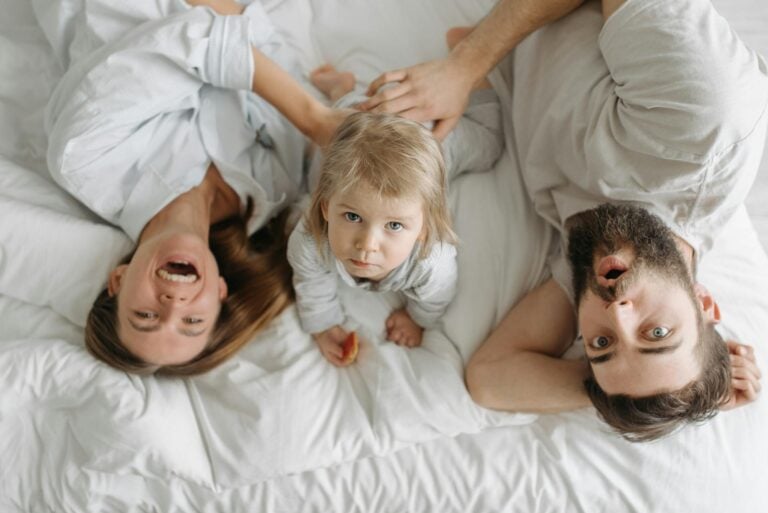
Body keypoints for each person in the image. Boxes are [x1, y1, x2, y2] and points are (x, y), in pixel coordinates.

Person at [362, 0, 767, 440]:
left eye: (602, 345)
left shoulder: (596, 264)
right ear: (705, 304)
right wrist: (464, 65)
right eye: (657, 331)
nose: (617, 312)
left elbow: (491, 378)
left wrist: (644, 395)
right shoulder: (700, 123)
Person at [44, 0, 348, 374]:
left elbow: (191, 38)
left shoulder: (85, 161)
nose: (173, 303)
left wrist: (314, 119)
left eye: (146, 314)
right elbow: (266, 51)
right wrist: (324, 317)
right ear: (219, 292)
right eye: (192, 322)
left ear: (118, 281)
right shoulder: (271, 191)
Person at [287, 59, 503, 364]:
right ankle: (341, 89)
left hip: (429, 141)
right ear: (325, 208)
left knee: (491, 143)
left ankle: (473, 73)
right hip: (353, 124)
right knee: (325, 149)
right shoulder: (311, 239)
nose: (367, 244)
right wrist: (323, 324)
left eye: (394, 226)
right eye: (352, 217)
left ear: (424, 227)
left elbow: (436, 296)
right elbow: (310, 282)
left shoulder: (432, 261)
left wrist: (417, 319)